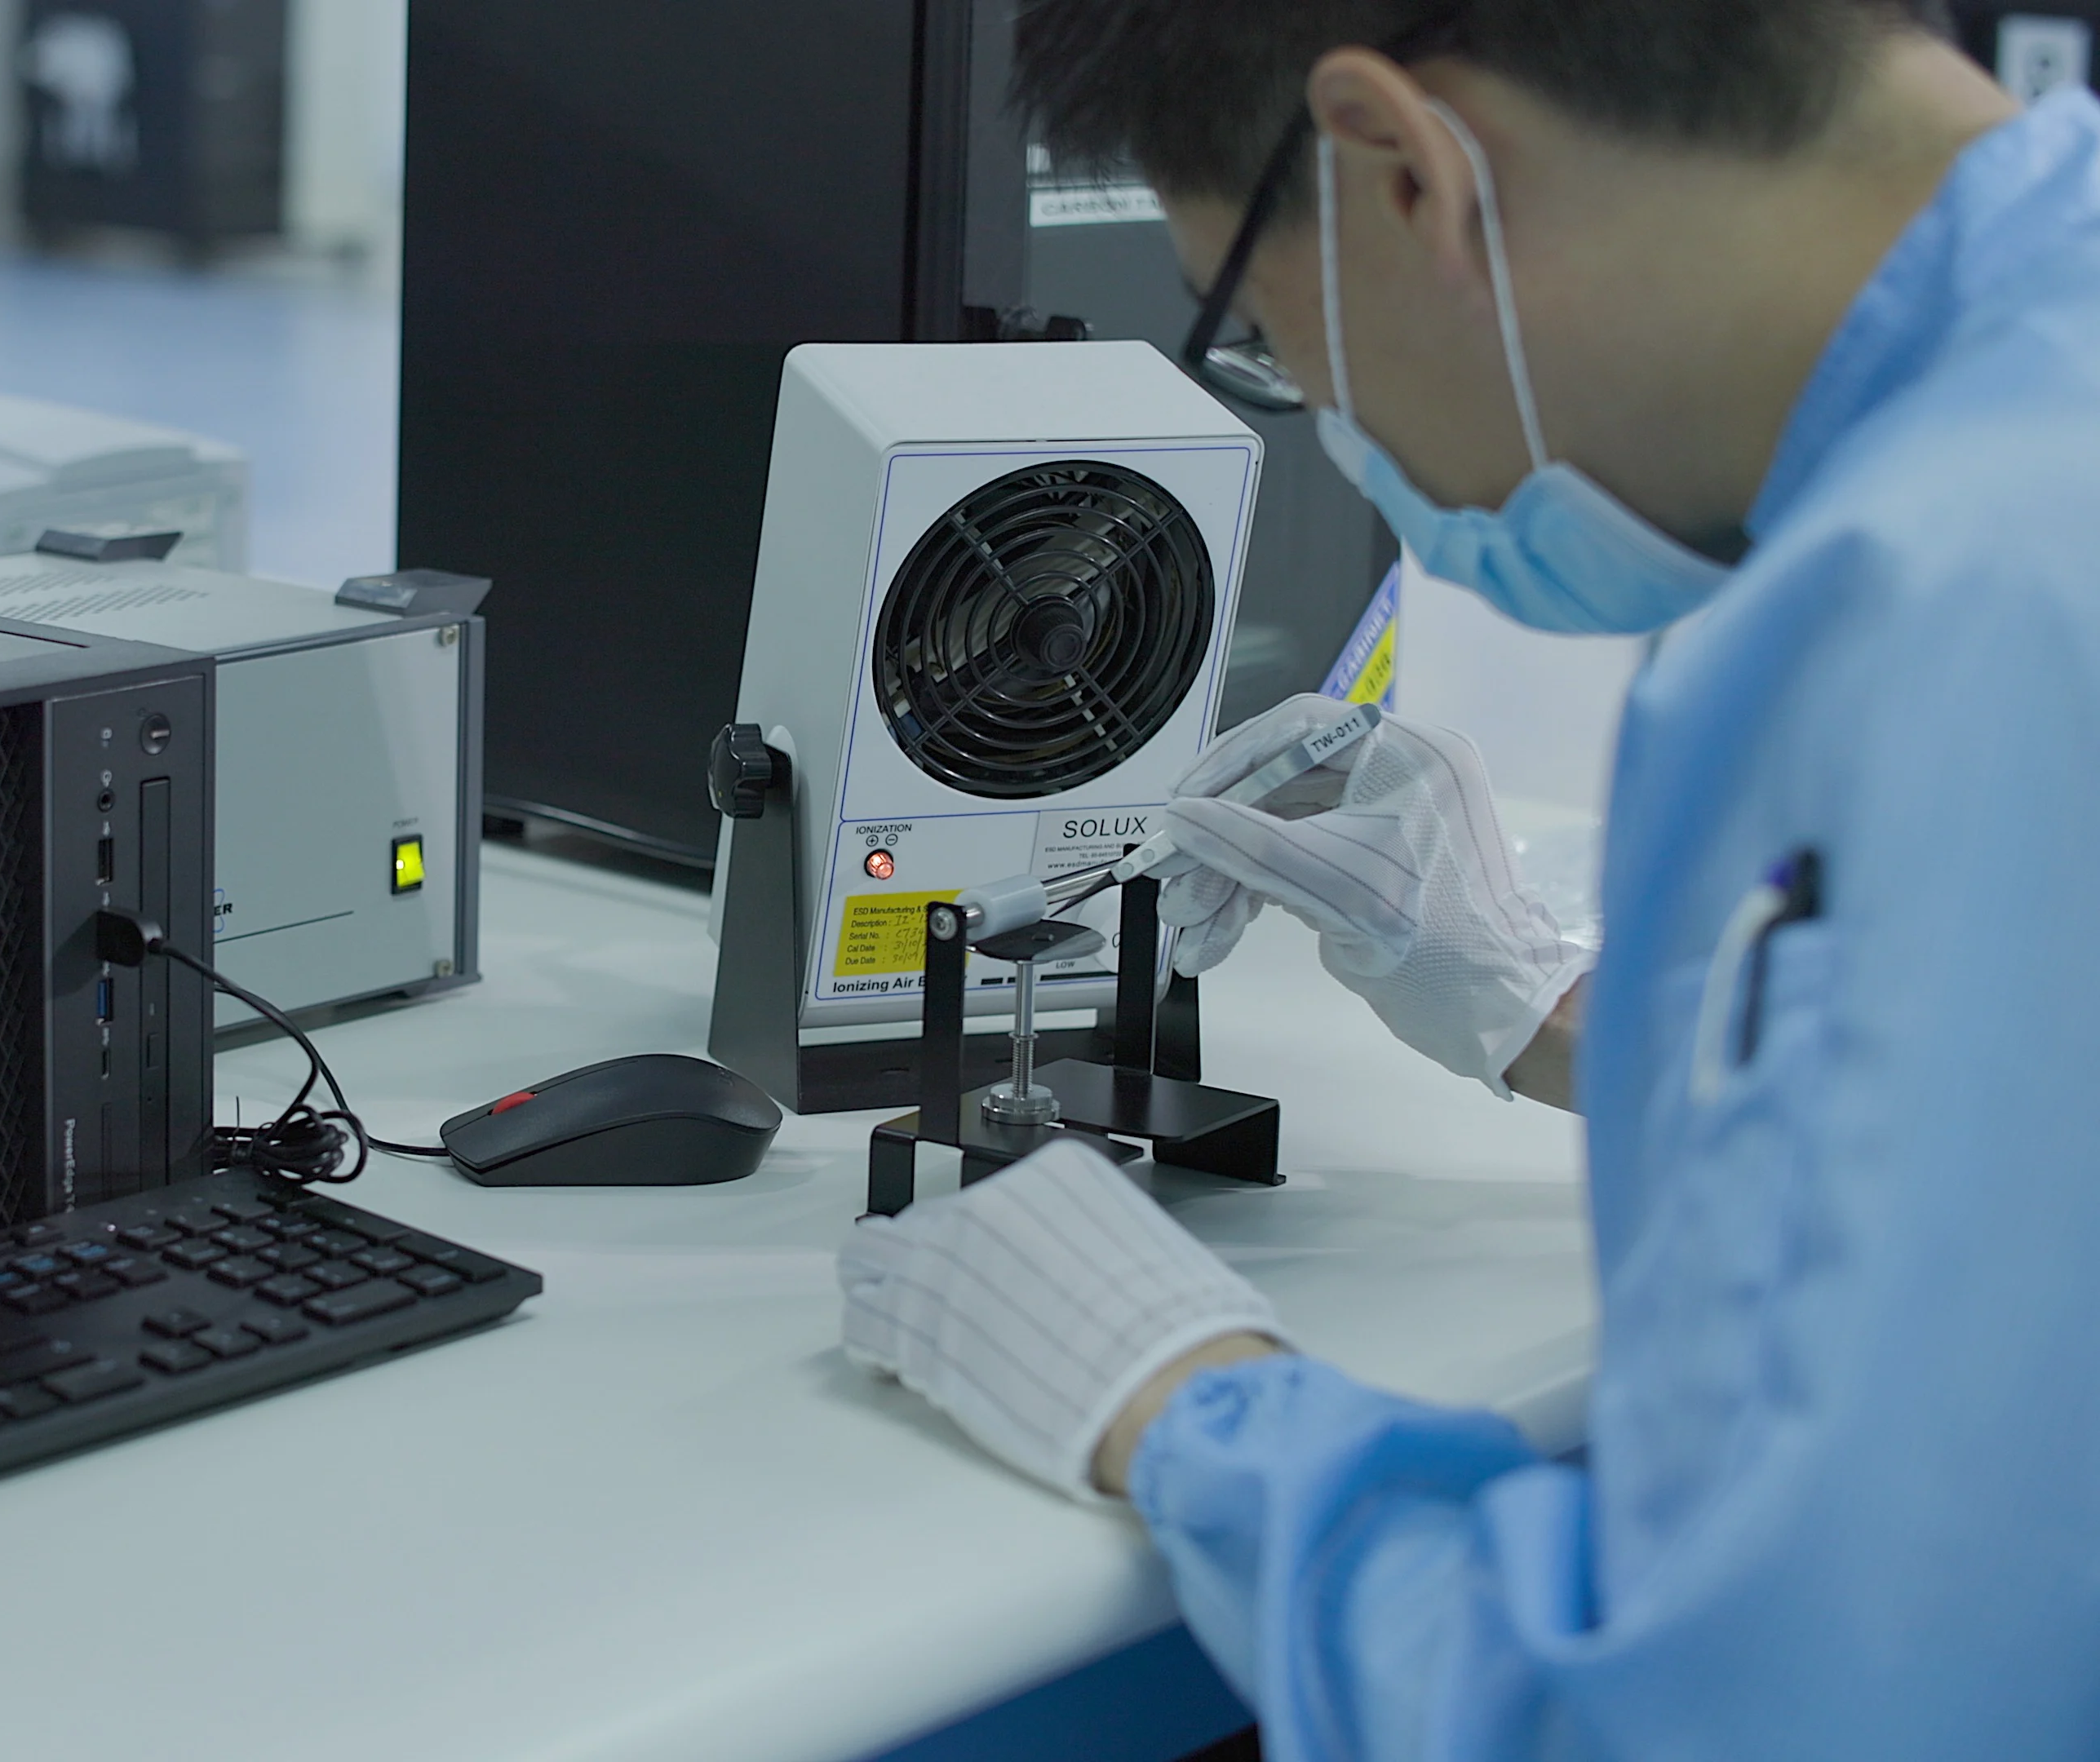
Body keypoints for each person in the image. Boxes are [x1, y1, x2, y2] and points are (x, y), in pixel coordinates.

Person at [836, 2, 2100, 1753]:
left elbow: (1762, 1720)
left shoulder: (1953, 604)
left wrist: (1192, 1409)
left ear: (1404, 166)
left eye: (1275, 336)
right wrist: (1566, 1018)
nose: (1347, 437)